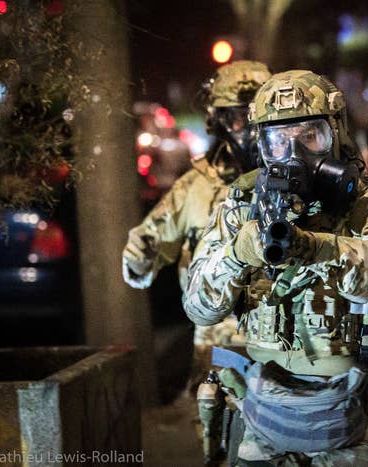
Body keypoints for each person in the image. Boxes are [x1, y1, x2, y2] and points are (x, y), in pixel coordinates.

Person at [183, 70, 368, 465]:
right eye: (278, 140)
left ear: (336, 134)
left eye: (310, 137)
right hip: (264, 409)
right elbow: (198, 307)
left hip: (358, 415)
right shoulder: (240, 207)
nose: (294, 155)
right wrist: (237, 253)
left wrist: (315, 247)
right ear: (262, 146)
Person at [122, 60, 271, 394]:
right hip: (219, 345)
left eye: (256, 116)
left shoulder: (297, 182)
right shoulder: (195, 187)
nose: (247, 129)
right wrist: (141, 252)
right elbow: (145, 252)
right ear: (218, 122)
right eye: (236, 117)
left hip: (288, 343)